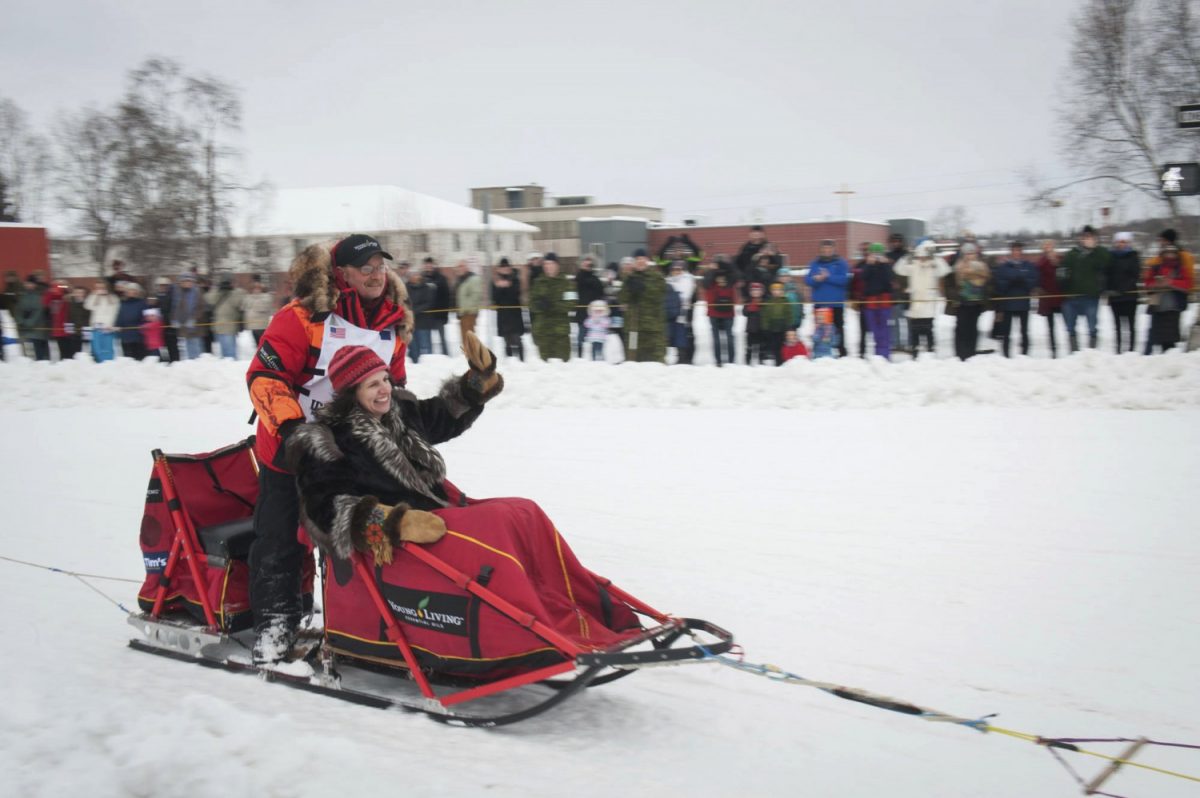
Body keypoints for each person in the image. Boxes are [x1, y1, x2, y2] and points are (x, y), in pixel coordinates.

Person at [284, 340, 634, 664]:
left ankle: (587, 614)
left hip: (436, 519)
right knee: (495, 523)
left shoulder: (399, 414)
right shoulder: (326, 440)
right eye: (372, 384)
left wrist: (477, 380)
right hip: (400, 544)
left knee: (523, 512)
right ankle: (531, 632)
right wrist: (393, 522)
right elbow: (326, 509)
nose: (384, 390)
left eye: (385, 380)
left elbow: (445, 413)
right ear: (351, 392)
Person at [246, 234, 412, 663]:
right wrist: (294, 431)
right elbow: (264, 377)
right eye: (366, 268)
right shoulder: (302, 318)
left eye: (380, 266)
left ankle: (359, 626)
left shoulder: (393, 324)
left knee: (351, 537)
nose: (376, 276)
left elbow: (393, 386)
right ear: (342, 275)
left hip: (349, 452)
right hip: (289, 446)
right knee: (280, 539)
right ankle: (275, 629)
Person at [893, 240, 950, 358]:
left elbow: (945, 270)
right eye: (920, 256)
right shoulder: (913, 266)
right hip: (915, 305)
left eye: (924, 256)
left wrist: (935, 257)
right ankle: (915, 353)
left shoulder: (933, 266)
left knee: (928, 330)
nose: (922, 259)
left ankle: (931, 352)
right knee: (914, 331)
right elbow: (898, 269)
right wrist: (907, 257)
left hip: (928, 305)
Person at [1057, 226, 1110, 352]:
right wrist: (1063, 281)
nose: (1087, 239)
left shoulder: (1098, 253)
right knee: (1070, 327)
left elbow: (1108, 261)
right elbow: (1061, 272)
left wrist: (1096, 247)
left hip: (1090, 297)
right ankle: (1074, 353)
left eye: (1090, 237)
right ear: (1080, 238)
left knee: (1092, 327)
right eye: (1085, 236)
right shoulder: (1071, 254)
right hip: (1071, 298)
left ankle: (1092, 353)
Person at [618, 249, 667, 362]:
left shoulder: (656, 277)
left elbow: (658, 296)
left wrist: (643, 288)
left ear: (647, 260)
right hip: (633, 327)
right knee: (632, 360)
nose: (640, 261)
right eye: (637, 259)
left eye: (642, 258)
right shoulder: (630, 278)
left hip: (653, 329)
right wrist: (628, 283)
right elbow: (622, 298)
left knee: (656, 361)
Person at [1143, 244, 1193, 353]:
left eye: (1172, 253)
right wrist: (1156, 284)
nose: (1169, 256)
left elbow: (1187, 284)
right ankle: (1148, 355)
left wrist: (1171, 282)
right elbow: (1147, 283)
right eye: (1167, 253)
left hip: (1174, 307)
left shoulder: (1181, 269)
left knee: (1170, 336)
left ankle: (1170, 356)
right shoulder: (1156, 268)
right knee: (1155, 333)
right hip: (1157, 305)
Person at [992, 241, 1039, 357]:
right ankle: (1006, 354)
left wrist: (1024, 282)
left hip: (1023, 302)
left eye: (1019, 250)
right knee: (1006, 331)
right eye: (1015, 250)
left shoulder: (1028, 266)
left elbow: (1034, 280)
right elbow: (999, 283)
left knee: (1024, 331)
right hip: (1008, 303)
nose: (1017, 253)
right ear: (1011, 252)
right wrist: (1010, 282)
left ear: (1022, 252)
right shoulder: (1004, 267)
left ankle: (1025, 354)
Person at [805, 240, 850, 358]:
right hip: (820, 304)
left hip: (836, 303)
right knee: (820, 330)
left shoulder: (841, 263)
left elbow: (844, 280)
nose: (826, 251)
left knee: (838, 328)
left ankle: (841, 352)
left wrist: (828, 277)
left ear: (834, 249)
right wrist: (816, 279)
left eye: (829, 249)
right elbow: (807, 280)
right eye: (824, 249)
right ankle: (820, 352)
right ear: (820, 250)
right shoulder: (814, 263)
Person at [947, 243, 990, 360]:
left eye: (972, 253)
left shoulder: (982, 267)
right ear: (963, 254)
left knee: (973, 329)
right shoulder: (956, 267)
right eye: (967, 253)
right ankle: (960, 353)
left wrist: (983, 299)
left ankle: (971, 352)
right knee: (961, 329)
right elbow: (949, 285)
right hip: (961, 303)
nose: (970, 256)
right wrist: (955, 296)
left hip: (976, 303)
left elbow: (986, 284)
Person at [1106, 232, 1141, 354]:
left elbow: (1135, 276)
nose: (1121, 244)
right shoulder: (1110, 256)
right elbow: (1107, 275)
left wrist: (1123, 289)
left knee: (1131, 325)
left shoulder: (1133, 256)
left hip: (1130, 296)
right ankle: (1118, 349)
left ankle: (1131, 349)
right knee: (1118, 326)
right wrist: (1108, 289)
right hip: (1115, 297)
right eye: (1119, 241)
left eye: (1124, 242)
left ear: (1128, 243)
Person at [860, 243, 894, 360]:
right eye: (874, 253)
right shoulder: (866, 265)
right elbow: (863, 277)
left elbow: (889, 279)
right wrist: (870, 265)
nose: (876, 256)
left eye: (878, 253)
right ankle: (877, 354)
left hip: (884, 301)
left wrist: (884, 265)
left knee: (884, 329)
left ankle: (884, 354)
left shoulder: (886, 265)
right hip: (871, 301)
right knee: (874, 329)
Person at [491, 258, 525, 361]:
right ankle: (510, 362)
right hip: (503, 316)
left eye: (506, 267)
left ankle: (522, 362)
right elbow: (495, 298)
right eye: (502, 267)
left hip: (515, 315)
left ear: (509, 268)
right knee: (507, 341)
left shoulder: (515, 278)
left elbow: (516, 294)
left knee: (517, 339)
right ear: (499, 269)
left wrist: (508, 285)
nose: (505, 269)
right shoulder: (495, 280)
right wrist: (500, 288)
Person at [1035, 240, 1065, 358]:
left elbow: (1064, 272)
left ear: (1053, 246)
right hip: (1047, 297)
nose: (1047, 247)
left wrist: (1056, 261)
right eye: (1045, 245)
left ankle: (1072, 349)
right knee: (1050, 326)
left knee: (1067, 323)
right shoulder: (1041, 261)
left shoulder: (1059, 258)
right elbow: (1037, 273)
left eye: (1050, 245)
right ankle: (1053, 350)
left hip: (1060, 296)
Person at [206, 276, 247, 359]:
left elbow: (240, 302)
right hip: (219, 326)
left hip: (230, 326)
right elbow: (208, 299)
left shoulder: (235, 293)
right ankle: (227, 365)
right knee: (224, 350)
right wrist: (217, 289)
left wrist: (232, 290)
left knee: (230, 351)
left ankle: (231, 365)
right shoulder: (217, 293)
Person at [573, 256, 606, 357]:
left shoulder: (595, 279)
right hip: (582, 314)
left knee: (595, 338)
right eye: (585, 263)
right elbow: (575, 289)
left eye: (589, 264)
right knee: (580, 339)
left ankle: (595, 360)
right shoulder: (578, 278)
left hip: (594, 315)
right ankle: (579, 358)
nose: (587, 265)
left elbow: (601, 293)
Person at [666, 260, 697, 364]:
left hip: (683, 313)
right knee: (671, 335)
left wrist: (673, 291)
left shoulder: (687, 279)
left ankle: (684, 358)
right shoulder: (668, 280)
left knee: (682, 336)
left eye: (679, 269)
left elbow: (685, 295)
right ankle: (676, 357)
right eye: (674, 269)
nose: (676, 271)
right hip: (670, 312)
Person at [172, 273, 207, 359]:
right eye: (185, 281)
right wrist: (174, 319)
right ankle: (192, 362)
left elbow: (202, 307)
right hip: (184, 324)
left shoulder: (197, 292)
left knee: (196, 344)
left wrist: (193, 318)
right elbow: (175, 307)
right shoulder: (178, 293)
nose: (187, 283)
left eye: (189, 281)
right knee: (188, 344)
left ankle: (197, 362)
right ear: (181, 282)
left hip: (196, 325)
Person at [406, 267, 437, 363]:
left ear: (419, 276)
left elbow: (428, 303)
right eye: (411, 275)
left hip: (423, 322)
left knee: (425, 346)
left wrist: (414, 310)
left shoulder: (426, 287)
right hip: (411, 323)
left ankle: (428, 364)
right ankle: (415, 363)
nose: (413, 277)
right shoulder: (406, 287)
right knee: (413, 346)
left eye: (415, 275)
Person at [705, 271, 736, 366]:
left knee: (730, 338)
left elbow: (734, 299)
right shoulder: (710, 286)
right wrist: (712, 270)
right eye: (719, 278)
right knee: (716, 339)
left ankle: (731, 361)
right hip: (714, 315)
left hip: (728, 315)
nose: (721, 280)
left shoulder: (730, 287)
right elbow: (706, 281)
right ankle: (718, 361)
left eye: (723, 278)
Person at [885, 233, 910, 352]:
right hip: (893, 294)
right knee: (893, 321)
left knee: (908, 321)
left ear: (902, 242)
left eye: (898, 241)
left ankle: (908, 344)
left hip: (907, 293)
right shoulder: (887, 256)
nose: (896, 243)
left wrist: (906, 286)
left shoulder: (908, 255)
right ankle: (895, 343)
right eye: (893, 241)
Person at [84, 281, 119, 363]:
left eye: (102, 287)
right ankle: (99, 362)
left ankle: (109, 362)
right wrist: (95, 295)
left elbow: (115, 310)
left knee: (108, 346)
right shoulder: (94, 296)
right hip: (96, 325)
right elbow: (87, 306)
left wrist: (111, 324)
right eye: (98, 287)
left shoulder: (113, 298)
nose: (101, 289)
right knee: (96, 347)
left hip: (108, 326)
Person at [422, 257, 452, 355]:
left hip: (439, 315)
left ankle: (446, 355)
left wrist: (445, 314)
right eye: (426, 264)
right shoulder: (422, 279)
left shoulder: (441, 278)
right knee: (428, 339)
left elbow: (447, 296)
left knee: (442, 337)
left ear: (433, 265)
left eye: (430, 264)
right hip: (427, 316)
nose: (428, 266)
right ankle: (431, 358)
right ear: (424, 266)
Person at [16, 276, 49, 361]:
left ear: (35, 285)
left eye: (30, 284)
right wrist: (20, 321)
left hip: (37, 327)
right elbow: (17, 309)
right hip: (23, 327)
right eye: (27, 283)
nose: (28, 285)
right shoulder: (21, 295)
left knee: (38, 350)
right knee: (26, 352)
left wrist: (29, 322)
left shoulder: (40, 295)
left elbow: (39, 310)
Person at [114, 282, 148, 360]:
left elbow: (146, 317)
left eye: (134, 290)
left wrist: (143, 325)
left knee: (139, 358)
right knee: (128, 358)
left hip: (138, 335)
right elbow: (120, 316)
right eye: (130, 290)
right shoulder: (123, 303)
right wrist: (117, 326)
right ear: (126, 292)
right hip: (126, 335)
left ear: (138, 292)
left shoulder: (142, 303)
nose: (132, 292)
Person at [242, 276, 277, 346]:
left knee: (262, 344)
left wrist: (255, 299)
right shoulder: (248, 297)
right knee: (257, 345)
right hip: (253, 326)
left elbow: (263, 307)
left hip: (262, 326)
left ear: (261, 288)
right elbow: (244, 307)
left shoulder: (266, 297)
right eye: (254, 288)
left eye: (258, 288)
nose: (256, 290)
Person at [454, 260, 482, 339]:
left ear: (467, 267)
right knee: (465, 338)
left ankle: (472, 351)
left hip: (469, 313)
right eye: (458, 267)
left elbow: (476, 296)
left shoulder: (473, 279)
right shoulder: (461, 280)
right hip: (462, 313)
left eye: (461, 266)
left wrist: (465, 309)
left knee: (469, 338)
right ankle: (469, 351)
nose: (459, 269)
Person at [153, 277, 179, 361]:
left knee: (172, 346)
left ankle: (175, 361)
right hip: (159, 326)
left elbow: (175, 309)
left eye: (165, 286)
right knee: (161, 346)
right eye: (160, 286)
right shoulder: (155, 298)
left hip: (170, 326)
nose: (162, 287)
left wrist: (173, 319)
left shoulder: (172, 297)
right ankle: (164, 362)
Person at [743, 282, 766, 365]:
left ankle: (761, 362)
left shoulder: (764, 301)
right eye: (754, 290)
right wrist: (750, 308)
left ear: (761, 292)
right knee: (750, 347)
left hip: (761, 328)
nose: (756, 292)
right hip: (751, 329)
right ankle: (748, 362)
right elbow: (744, 313)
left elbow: (766, 313)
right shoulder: (748, 301)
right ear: (750, 292)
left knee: (761, 347)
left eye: (758, 290)